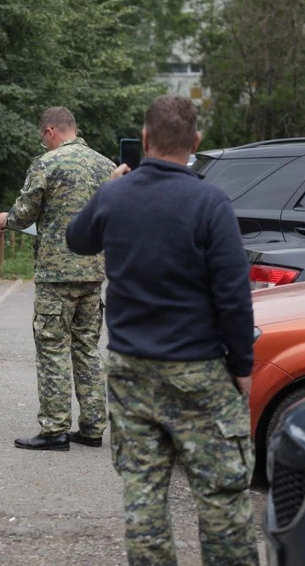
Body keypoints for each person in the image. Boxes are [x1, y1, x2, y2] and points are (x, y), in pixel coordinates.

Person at [66, 95, 258, 566]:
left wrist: (107, 188)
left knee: (145, 499)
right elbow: (233, 295)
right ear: (195, 143)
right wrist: (242, 367)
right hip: (198, 371)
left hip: (131, 373)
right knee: (221, 498)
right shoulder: (210, 202)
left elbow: (76, 239)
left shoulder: (115, 196)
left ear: (145, 139)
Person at [0, 106, 115, 452]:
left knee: (52, 348)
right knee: (87, 347)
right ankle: (92, 427)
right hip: (92, 273)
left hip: (56, 275)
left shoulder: (46, 164)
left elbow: (27, 210)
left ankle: (55, 429)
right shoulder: (105, 165)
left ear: (50, 132)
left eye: (43, 138)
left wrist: (8, 219)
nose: (43, 145)